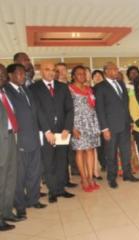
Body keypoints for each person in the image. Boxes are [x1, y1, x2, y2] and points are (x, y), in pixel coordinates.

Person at [5, 64, 48, 220]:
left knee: (35, 171)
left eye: (23, 74)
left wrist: (44, 131)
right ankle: (20, 206)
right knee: (20, 175)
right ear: (10, 75)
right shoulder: (6, 92)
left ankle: (33, 199)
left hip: (35, 138)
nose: (23, 76)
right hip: (19, 140)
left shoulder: (27, 91)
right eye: (19, 73)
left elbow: (36, 113)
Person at [30, 62, 75, 203]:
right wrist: (47, 131)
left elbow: (70, 109)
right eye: (47, 69)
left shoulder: (63, 87)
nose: (51, 72)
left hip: (63, 132)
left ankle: (61, 189)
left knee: (62, 161)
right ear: (41, 71)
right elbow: (37, 111)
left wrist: (67, 128)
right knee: (48, 162)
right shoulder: (34, 88)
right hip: (46, 132)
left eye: (53, 70)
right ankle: (52, 191)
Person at [95, 62, 139, 188]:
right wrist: (104, 129)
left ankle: (127, 174)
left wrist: (130, 121)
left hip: (125, 124)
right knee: (111, 153)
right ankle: (111, 178)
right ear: (107, 71)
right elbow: (100, 109)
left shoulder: (120, 83)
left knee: (126, 152)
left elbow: (126, 104)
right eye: (114, 69)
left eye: (117, 69)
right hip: (110, 127)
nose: (116, 71)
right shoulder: (100, 87)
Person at [69, 65, 101, 192]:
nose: (82, 75)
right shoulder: (69, 89)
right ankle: (84, 179)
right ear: (73, 76)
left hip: (91, 123)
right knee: (80, 151)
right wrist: (72, 127)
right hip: (77, 124)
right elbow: (68, 110)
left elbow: (93, 106)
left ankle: (91, 177)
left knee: (90, 150)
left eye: (84, 73)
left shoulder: (89, 89)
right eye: (79, 73)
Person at [0, 64, 18, 231]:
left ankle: (6, 212)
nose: (2, 76)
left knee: (10, 178)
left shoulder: (4, 93)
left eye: (4, 74)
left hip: (11, 138)